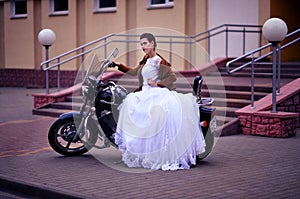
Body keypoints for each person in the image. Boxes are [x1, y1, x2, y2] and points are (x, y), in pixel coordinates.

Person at [111, 33, 206, 171]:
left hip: (155, 93)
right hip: (144, 93)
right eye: (141, 44)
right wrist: (117, 65)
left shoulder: (159, 61)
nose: (143, 47)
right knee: (133, 109)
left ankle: (157, 154)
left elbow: (172, 77)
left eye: (145, 43)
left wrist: (158, 83)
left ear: (153, 44)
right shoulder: (145, 60)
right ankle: (142, 152)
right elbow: (133, 72)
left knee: (150, 117)